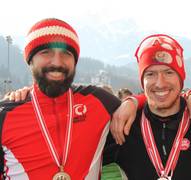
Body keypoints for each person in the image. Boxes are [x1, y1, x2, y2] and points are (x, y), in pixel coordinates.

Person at [0, 18, 139, 180]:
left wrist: (134, 101)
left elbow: (157, 109)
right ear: (30, 60)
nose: (57, 62)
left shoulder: (98, 101)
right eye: (46, 52)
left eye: (66, 53)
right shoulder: (6, 114)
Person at [103, 34, 191, 180]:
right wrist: (132, 101)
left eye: (168, 72)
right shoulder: (123, 126)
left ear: (181, 78)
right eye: (151, 74)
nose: (160, 83)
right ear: (142, 81)